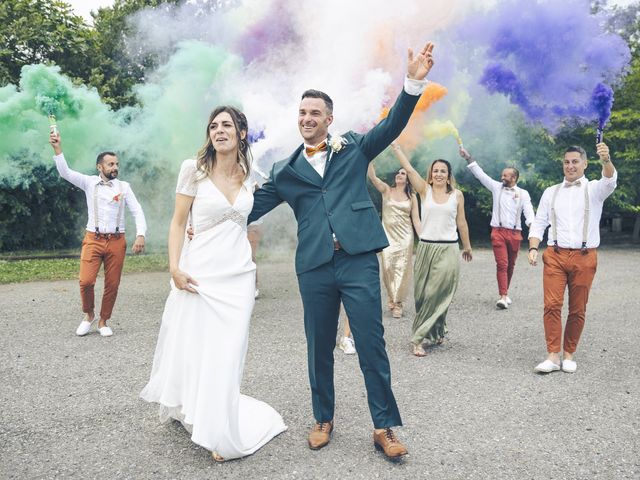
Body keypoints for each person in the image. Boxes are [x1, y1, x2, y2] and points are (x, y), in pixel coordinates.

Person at [247, 41, 436, 459]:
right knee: (318, 345)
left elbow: (391, 127)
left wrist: (413, 83)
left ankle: (384, 427)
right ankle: (323, 417)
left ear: (329, 119)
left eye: (315, 113)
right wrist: (202, 217)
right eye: (302, 113)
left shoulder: (352, 147)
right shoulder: (284, 171)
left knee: (371, 342)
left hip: (357, 259)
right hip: (314, 265)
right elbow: (248, 208)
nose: (307, 118)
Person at [140, 106, 286, 461]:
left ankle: (217, 425)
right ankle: (198, 412)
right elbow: (178, 223)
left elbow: (286, 187)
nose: (219, 130)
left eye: (227, 125)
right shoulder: (193, 170)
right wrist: (173, 267)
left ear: (241, 133)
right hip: (200, 273)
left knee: (229, 349)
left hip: (238, 276)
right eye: (214, 126)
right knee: (197, 344)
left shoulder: (251, 174)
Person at [528, 143, 617, 374]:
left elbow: (610, 180)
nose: (570, 166)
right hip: (555, 255)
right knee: (552, 305)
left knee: (577, 308)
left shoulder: (595, 189)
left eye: (575, 161)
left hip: (585, 256)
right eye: (567, 162)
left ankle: (569, 354)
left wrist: (606, 160)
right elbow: (539, 222)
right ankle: (552, 356)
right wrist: (533, 247)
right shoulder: (551, 191)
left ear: (585, 164)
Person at [49, 132, 146, 337]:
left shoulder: (124, 187)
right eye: (110, 164)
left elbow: (137, 210)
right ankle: (89, 314)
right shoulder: (88, 182)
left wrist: (141, 234)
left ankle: (103, 321)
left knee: (112, 284)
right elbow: (65, 172)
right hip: (93, 238)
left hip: (117, 241)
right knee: (85, 281)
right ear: (99, 167)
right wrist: (57, 148)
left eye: (116, 164)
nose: (115, 168)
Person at [392, 144, 472, 357]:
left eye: (442, 171)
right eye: (435, 170)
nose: (438, 174)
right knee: (422, 296)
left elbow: (461, 222)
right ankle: (437, 331)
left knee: (436, 292)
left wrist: (467, 246)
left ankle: (417, 338)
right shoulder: (424, 190)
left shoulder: (457, 195)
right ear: (430, 175)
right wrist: (397, 148)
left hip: (448, 249)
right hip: (426, 248)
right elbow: (408, 169)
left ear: (448, 176)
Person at [459, 147, 535, 309]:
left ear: (514, 178)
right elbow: (480, 175)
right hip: (498, 232)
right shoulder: (496, 187)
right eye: (502, 175)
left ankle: (505, 291)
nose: (502, 177)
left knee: (511, 265)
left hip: (515, 233)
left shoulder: (523, 193)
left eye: (505, 175)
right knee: (502, 263)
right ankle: (503, 296)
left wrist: (533, 228)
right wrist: (468, 158)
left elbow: (529, 212)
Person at [367, 163, 419, 318]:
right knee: (388, 267)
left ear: (408, 179)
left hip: (405, 236)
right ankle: (391, 298)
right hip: (388, 236)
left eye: (403, 173)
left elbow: (416, 220)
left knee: (402, 268)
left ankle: (398, 303)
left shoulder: (412, 197)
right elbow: (373, 178)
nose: (399, 174)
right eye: (398, 172)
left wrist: (423, 238)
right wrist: (369, 161)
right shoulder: (386, 190)